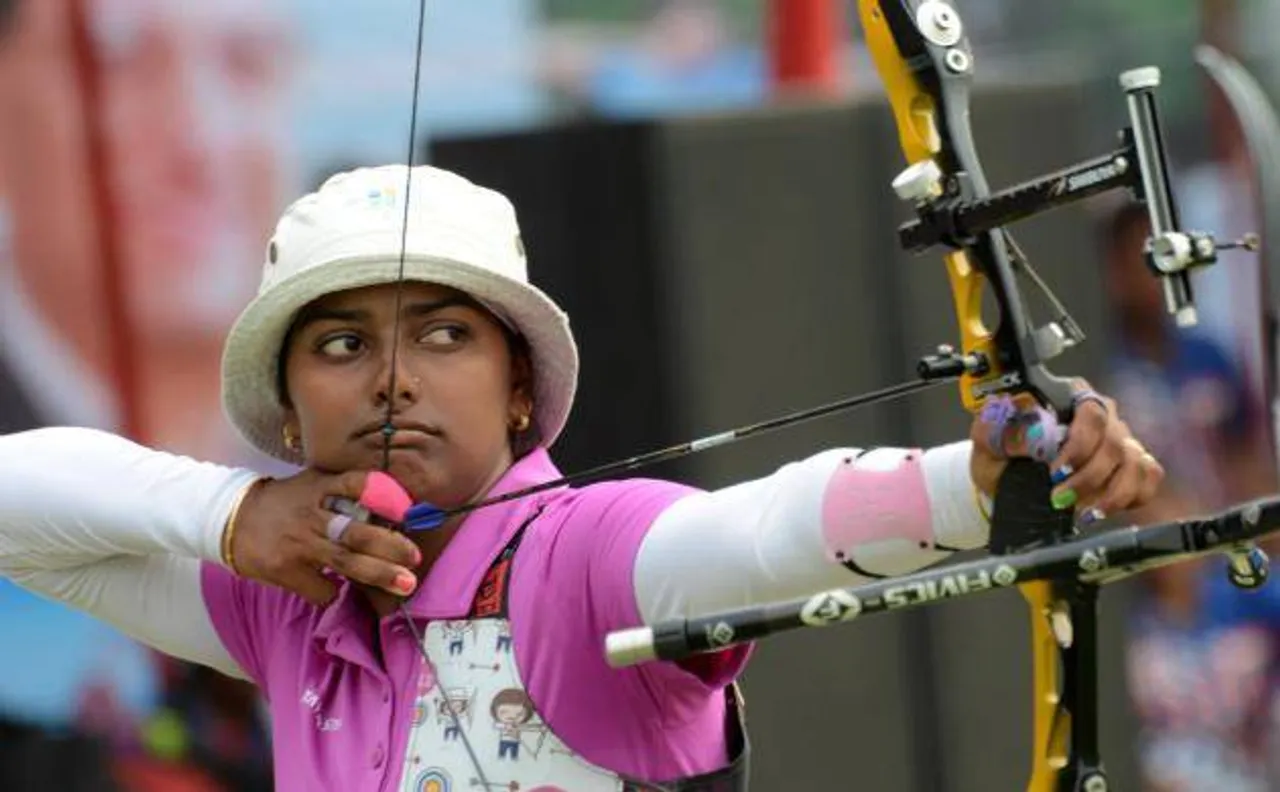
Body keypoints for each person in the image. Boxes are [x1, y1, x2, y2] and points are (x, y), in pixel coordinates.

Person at [0, 164, 1164, 791]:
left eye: (444, 334)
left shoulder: (586, 555)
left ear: (519, 387)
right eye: (341, 345)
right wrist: (231, 515)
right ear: (292, 410)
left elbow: (762, 533)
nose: (392, 380)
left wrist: (974, 484)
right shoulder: (285, 609)